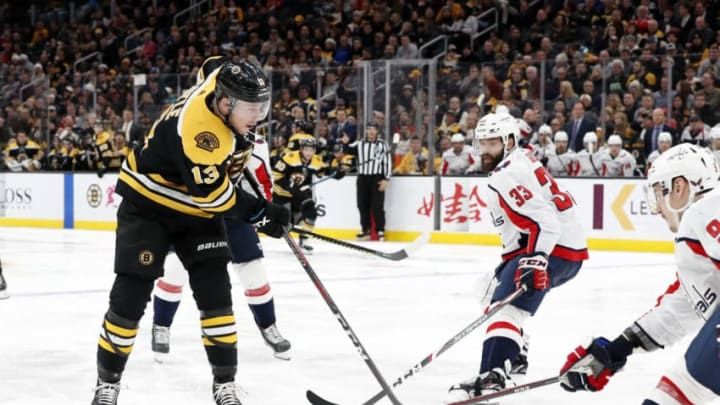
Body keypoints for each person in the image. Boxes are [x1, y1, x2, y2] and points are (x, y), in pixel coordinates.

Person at [90, 59, 291, 405]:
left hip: (196, 209)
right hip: (150, 203)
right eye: (251, 107)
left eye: (262, 105)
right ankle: (107, 383)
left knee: (216, 295)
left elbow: (212, 64)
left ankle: (225, 384)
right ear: (225, 103)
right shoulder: (203, 134)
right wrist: (260, 212)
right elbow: (215, 197)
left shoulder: (219, 80)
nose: (258, 115)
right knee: (130, 295)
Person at [559, 143, 720, 405]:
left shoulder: (705, 210)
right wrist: (618, 348)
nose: (657, 208)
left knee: (682, 389)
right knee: (677, 389)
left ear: (679, 187)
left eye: (659, 193)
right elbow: (682, 305)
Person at [448, 113, 588, 401]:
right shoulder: (519, 158)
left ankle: (493, 375)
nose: (484, 150)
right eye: (481, 143)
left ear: (509, 142)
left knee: (504, 307)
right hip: (564, 247)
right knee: (489, 290)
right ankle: (517, 352)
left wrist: (536, 260)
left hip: (554, 247)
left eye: (492, 143)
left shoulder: (506, 174)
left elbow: (544, 222)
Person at [151, 136, 291, 362]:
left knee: (254, 271)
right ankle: (161, 326)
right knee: (176, 267)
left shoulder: (256, 142)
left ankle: (269, 326)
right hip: (194, 210)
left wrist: (264, 213)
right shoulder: (198, 128)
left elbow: (261, 181)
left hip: (234, 210)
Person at [272, 137, 345, 253]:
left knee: (312, 212)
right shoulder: (289, 158)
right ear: (301, 149)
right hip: (281, 193)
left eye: (312, 150)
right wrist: (292, 188)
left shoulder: (316, 160)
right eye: (306, 150)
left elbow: (324, 171)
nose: (309, 153)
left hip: (299, 194)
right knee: (278, 220)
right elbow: (276, 175)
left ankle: (304, 239)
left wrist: (337, 173)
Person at [342, 122, 392, 241]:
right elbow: (349, 150)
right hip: (363, 177)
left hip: (377, 178)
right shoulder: (359, 143)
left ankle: (380, 230)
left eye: (373, 129)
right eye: (369, 129)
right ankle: (366, 229)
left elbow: (388, 162)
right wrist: (346, 142)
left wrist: (386, 179)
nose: (371, 131)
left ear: (377, 131)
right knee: (362, 205)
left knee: (377, 206)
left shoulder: (383, 144)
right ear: (366, 131)